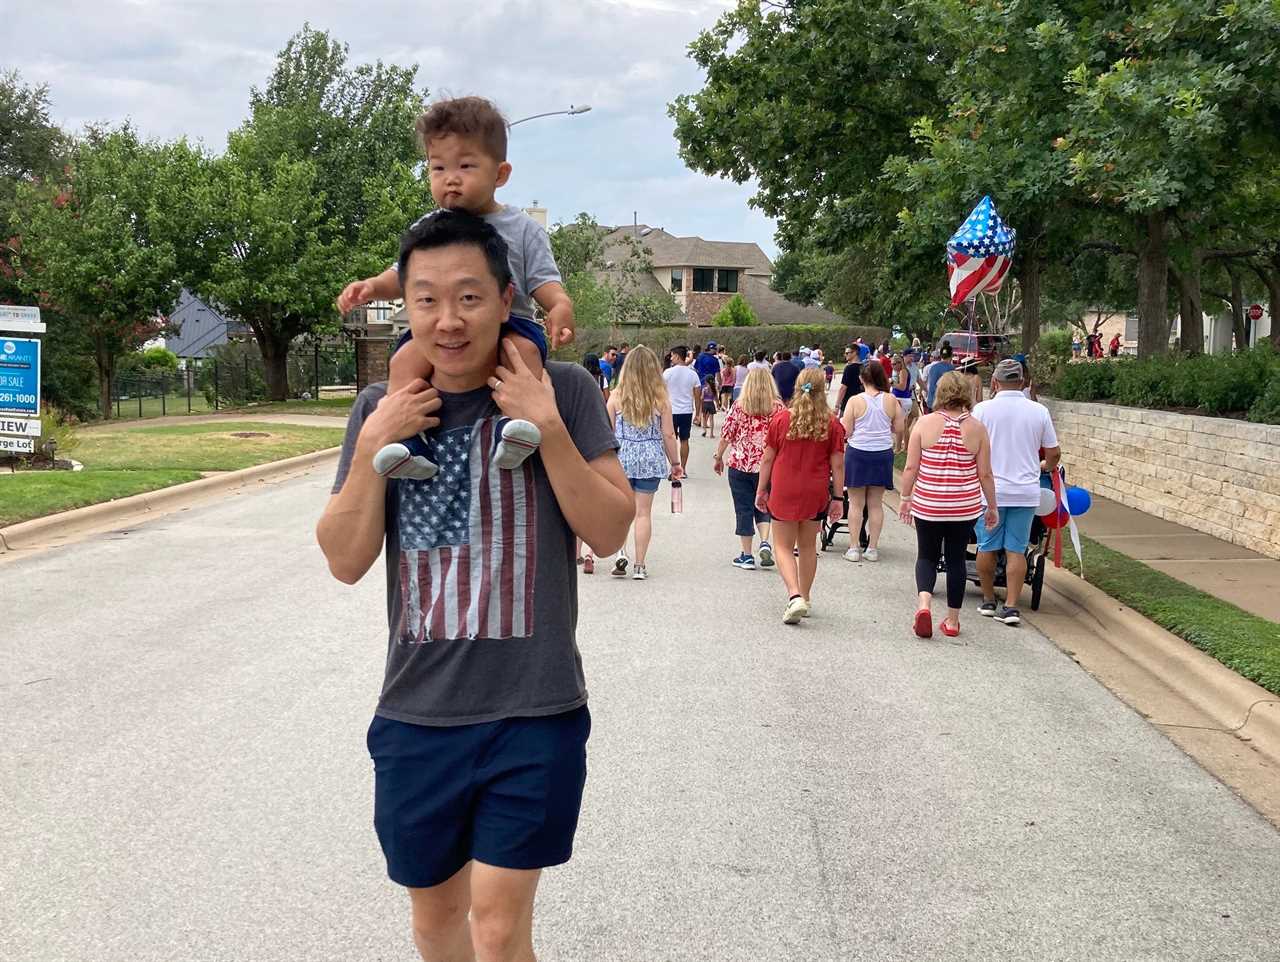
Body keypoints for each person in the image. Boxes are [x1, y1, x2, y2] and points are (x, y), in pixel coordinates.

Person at [317, 210, 633, 962]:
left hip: (535, 709)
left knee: (497, 923)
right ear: (406, 307)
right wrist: (370, 445)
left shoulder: (564, 390)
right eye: (425, 299)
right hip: (418, 715)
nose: (447, 319)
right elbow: (344, 558)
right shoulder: (380, 410)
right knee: (435, 923)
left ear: (504, 298)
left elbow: (611, 530)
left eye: (468, 297)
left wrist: (548, 427)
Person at [337, 96, 574, 482]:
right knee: (403, 360)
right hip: (445, 334)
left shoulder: (523, 229)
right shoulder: (430, 228)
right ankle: (409, 441)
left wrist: (560, 307)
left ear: (500, 174)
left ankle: (516, 428)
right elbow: (404, 275)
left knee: (525, 353)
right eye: (438, 167)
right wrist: (371, 287)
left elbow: (546, 283)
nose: (451, 178)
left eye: (465, 166)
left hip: (512, 325)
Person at [897, 372, 999, 638]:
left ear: (939, 392)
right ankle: (952, 621)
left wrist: (905, 498)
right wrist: (992, 506)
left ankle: (924, 604)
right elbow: (985, 474)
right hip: (963, 506)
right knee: (956, 560)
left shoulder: (923, 424)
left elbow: (910, 467)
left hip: (929, 503)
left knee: (927, 556)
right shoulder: (977, 428)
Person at [972, 358, 1062, 626]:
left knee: (986, 546)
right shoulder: (1039, 411)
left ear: (995, 382)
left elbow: (971, 448)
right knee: (1016, 549)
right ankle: (1011, 606)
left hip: (991, 490)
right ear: (1024, 382)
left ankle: (988, 599)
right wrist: (1043, 465)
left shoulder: (982, 410)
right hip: (1024, 491)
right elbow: (1054, 452)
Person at [755, 368, 846, 624]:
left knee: (783, 546)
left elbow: (768, 459)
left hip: (784, 487)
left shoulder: (782, 419)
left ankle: (794, 595)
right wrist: (838, 498)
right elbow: (838, 464)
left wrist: (762, 489)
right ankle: (805, 595)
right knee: (807, 547)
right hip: (815, 490)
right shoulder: (831, 424)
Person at [608, 345, 685, 580]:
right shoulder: (660, 399)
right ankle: (640, 565)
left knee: (622, 511)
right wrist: (675, 463)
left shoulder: (616, 396)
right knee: (643, 513)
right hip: (650, 458)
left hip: (622, 458)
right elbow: (669, 435)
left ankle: (620, 552)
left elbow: (608, 431)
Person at [714, 368, 781, 570]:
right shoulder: (778, 408)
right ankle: (765, 541)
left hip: (741, 463)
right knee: (764, 505)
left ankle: (746, 555)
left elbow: (727, 434)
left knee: (743, 508)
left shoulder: (739, 406)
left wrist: (718, 457)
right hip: (768, 466)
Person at [841, 359, 903, 563]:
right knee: (876, 503)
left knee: (856, 503)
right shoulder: (891, 400)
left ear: (861, 379)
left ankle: (853, 547)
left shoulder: (855, 401)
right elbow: (899, 427)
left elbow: (847, 430)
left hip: (858, 452)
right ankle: (873, 548)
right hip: (882, 453)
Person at [662, 346, 701, 472]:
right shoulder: (693, 374)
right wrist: (698, 413)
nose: (671, 358)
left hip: (670, 411)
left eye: (672, 355)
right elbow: (697, 396)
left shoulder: (667, 373)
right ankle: (683, 468)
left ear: (677, 356)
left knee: (669, 439)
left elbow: (661, 392)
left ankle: (673, 467)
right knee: (685, 440)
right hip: (686, 411)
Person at [835, 344, 864, 417]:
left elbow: (843, 388)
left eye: (847, 353)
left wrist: (837, 406)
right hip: (862, 402)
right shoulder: (864, 367)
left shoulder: (849, 368)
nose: (845, 355)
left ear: (854, 353)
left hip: (848, 403)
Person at [925, 342, 955, 411]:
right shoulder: (951, 368)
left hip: (931, 401)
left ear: (941, 355)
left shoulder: (933, 367)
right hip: (942, 404)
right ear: (951, 355)